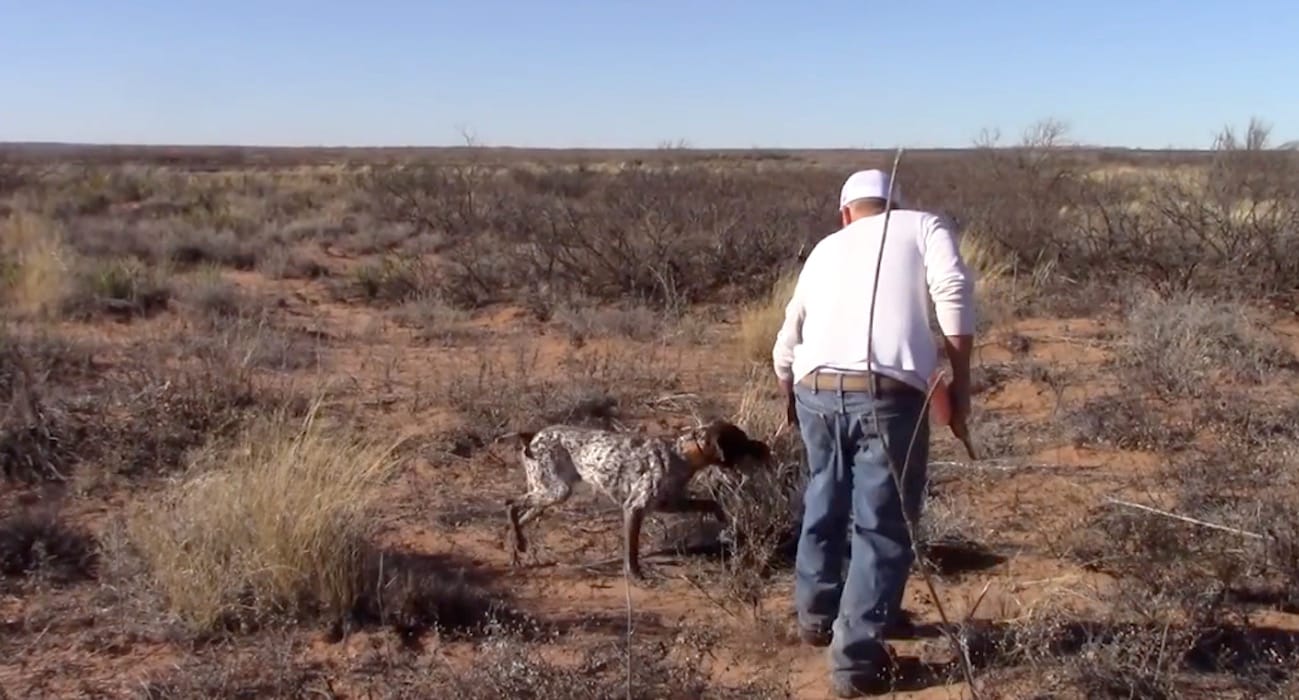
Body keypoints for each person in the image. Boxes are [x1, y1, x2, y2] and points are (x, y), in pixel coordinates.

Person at [771, 168, 975, 697]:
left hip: (814, 387)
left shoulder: (825, 247)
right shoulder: (923, 225)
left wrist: (786, 394)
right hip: (886, 395)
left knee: (824, 497)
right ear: (896, 205)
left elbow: (786, 337)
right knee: (882, 524)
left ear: (846, 213)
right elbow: (951, 290)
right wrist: (962, 382)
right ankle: (856, 661)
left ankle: (818, 617)